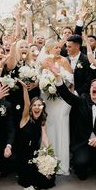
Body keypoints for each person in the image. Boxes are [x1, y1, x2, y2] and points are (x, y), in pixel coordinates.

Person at [52, 65, 96, 190]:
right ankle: (85, 166)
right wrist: (58, 77)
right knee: (80, 166)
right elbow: (66, 95)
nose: (93, 87)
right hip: (83, 143)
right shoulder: (82, 101)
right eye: (92, 86)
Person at [39, 39, 74, 175]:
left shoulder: (64, 61)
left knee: (62, 127)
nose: (59, 50)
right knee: (49, 127)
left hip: (62, 101)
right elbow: (41, 80)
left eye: (59, 48)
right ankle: (47, 161)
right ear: (48, 50)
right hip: (49, 100)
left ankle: (63, 164)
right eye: (56, 48)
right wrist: (47, 86)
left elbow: (71, 80)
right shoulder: (44, 62)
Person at [16, 80, 55, 190]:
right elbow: (27, 103)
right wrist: (24, 88)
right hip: (23, 154)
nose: (37, 107)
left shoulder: (42, 121)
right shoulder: (25, 118)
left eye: (40, 105)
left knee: (47, 176)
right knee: (29, 178)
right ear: (31, 108)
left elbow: (44, 137)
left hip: (35, 153)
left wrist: (50, 153)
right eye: (35, 105)